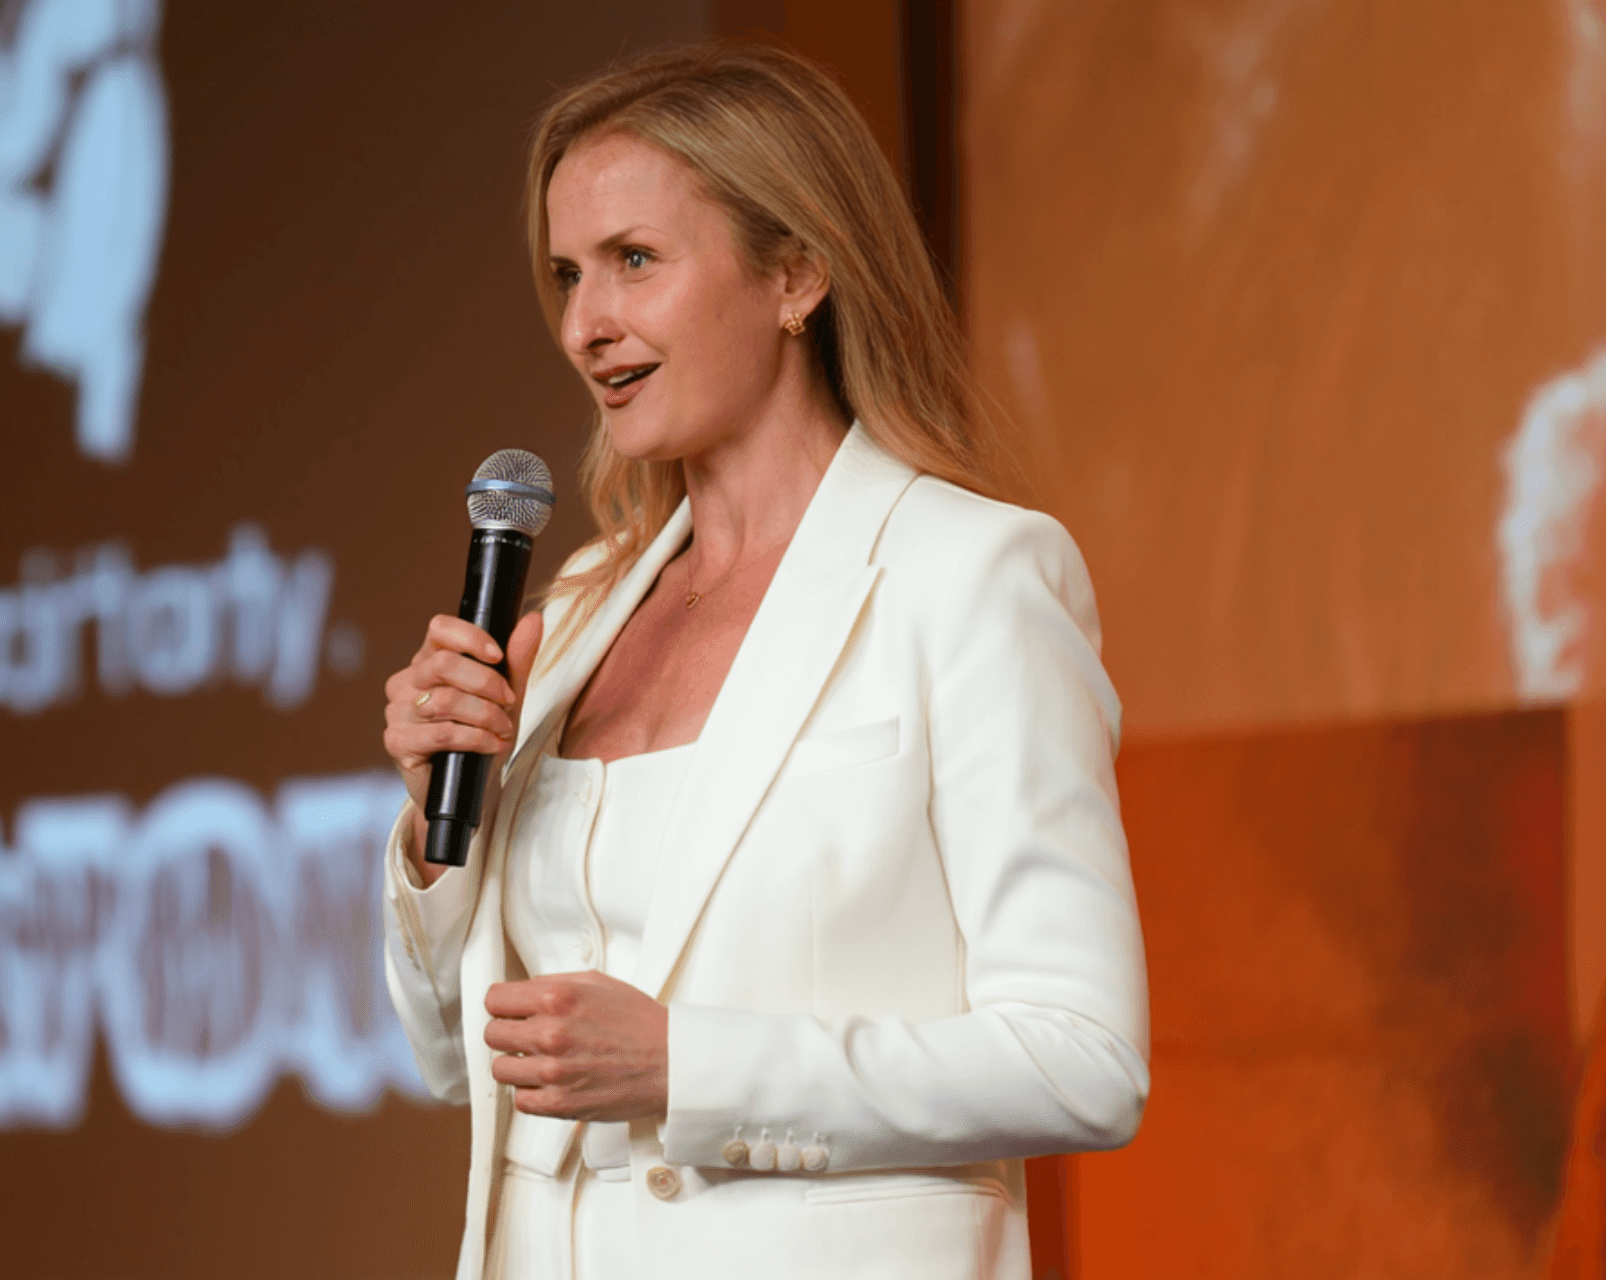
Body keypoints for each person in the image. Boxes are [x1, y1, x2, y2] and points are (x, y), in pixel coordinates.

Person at [380, 40, 1148, 1280]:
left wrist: (692, 1067)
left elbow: (1084, 1056)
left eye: (635, 261)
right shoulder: (573, 607)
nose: (586, 325)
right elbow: (445, 1054)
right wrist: (432, 821)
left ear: (796, 272)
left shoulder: (971, 576)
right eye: (569, 273)